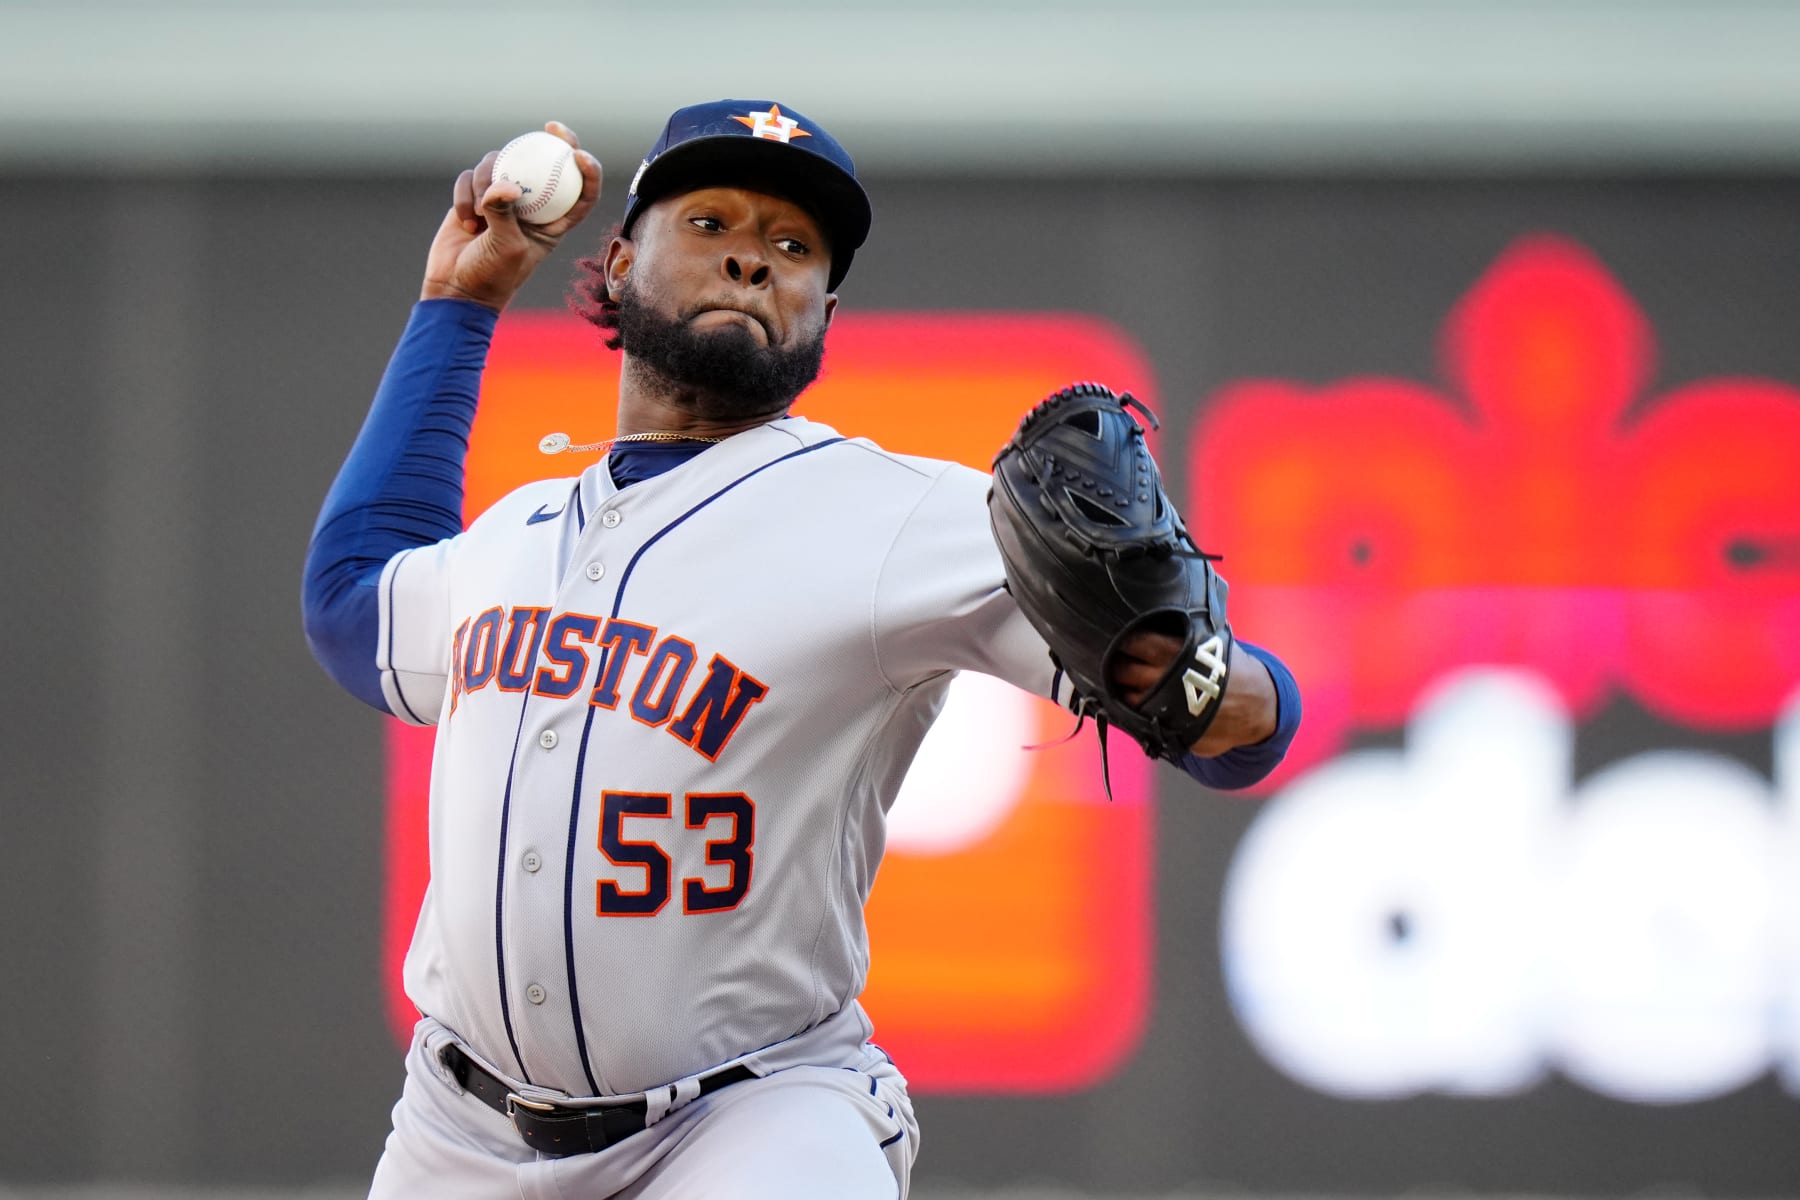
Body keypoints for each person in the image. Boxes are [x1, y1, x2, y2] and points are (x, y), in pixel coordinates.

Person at [303, 100, 1301, 1199]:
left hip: (752, 1116)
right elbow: (355, 609)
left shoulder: (899, 516)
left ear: (825, 310)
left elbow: (1240, 729)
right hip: (462, 1129)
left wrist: (1200, 677)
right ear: (622, 260)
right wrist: (463, 299)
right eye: (712, 221)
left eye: (793, 248)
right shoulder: (520, 532)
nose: (750, 258)